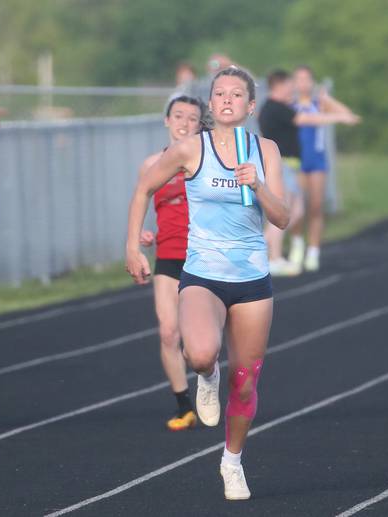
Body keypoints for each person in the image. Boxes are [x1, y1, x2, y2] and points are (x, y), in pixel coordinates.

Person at [126, 66, 289, 500]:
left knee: (247, 380)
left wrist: (258, 186)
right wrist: (131, 246)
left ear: (251, 106)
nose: (228, 99)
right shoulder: (189, 149)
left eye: (237, 94)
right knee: (199, 353)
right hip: (203, 274)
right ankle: (205, 376)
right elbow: (144, 187)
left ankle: (231, 462)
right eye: (220, 93)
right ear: (211, 104)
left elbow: (283, 217)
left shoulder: (265, 149)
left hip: (252, 277)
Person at [137, 95, 205, 431]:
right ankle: (184, 406)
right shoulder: (152, 164)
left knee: (196, 350)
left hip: (203, 258)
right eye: (178, 116)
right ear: (166, 121)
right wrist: (144, 236)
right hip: (168, 255)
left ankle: (206, 374)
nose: (184, 123)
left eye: (192, 118)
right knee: (167, 332)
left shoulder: (207, 160)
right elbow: (147, 204)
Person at [258, 69, 358, 276]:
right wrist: (338, 118)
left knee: (297, 212)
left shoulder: (278, 107)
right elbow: (306, 120)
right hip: (282, 165)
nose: (292, 89)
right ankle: (273, 257)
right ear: (279, 85)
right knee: (282, 212)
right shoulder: (275, 108)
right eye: (289, 85)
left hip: (291, 165)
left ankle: (266, 246)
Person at [289, 65, 361, 271]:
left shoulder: (318, 104)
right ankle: (296, 244)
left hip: (317, 160)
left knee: (316, 206)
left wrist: (328, 100)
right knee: (297, 207)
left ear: (312, 82)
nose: (303, 84)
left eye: (306, 79)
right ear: (294, 83)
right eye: (299, 79)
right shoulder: (290, 105)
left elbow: (347, 115)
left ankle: (313, 250)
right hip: (297, 160)